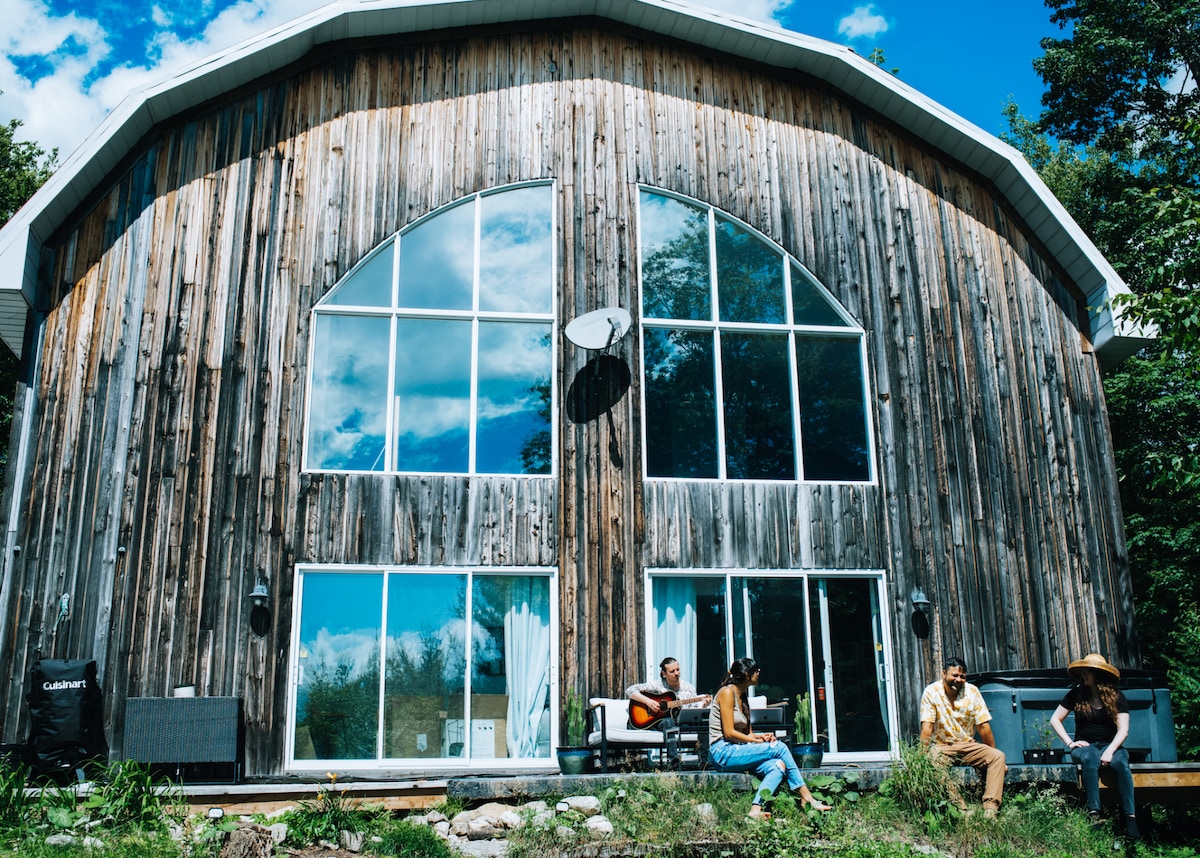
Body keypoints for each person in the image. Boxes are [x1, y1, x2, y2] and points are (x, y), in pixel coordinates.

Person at [708, 657, 832, 818]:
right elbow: (729, 733)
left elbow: (748, 734)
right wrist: (756, 741)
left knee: (777, 765)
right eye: (755, 670)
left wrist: (761, 738)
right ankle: (806, 797)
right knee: (780, 747)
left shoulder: (742, 696)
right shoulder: (727, 692)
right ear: (746, 674)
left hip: (737, 750)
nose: (759, 672)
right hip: (722, 752)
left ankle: (755, 810)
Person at [1049, 653, 1140, 840]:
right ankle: (1094, 814)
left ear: (1098, 674)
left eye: (1087, 672)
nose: (1084, 675)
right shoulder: (1076, 694)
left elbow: (1123, 730)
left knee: (1121, 764)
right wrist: (1070, 743)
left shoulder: (1116, 697)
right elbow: (1055, 719)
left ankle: (1130, 818)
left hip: (1111, 745)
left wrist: (1110, 751)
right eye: (1082, 671)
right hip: (1085, 746)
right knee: (1090, 759)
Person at [919, 656, 1007, 818]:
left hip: (968, 744)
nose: (958, 680)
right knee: (932, 761)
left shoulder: (972, 691)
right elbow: (927, 727)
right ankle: (960, 808)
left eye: (962, 677)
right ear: (944, 674)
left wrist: (991, 755)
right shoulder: (932, 692)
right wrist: (921, 757)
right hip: (942, 746)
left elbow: (983, 727)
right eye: (954, 675)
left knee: (998, 757)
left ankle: (991, 808)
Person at [626, 657, 711, 764]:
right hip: (661, 722)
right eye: (672, 671)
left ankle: (704, 761)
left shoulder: (689, 688)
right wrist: (648, 702)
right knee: (668, 721)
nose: (676, 673)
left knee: (703, 723)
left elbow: (693, 710)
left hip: (682, 723)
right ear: (664, 673)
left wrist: (703, 705)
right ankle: (674, 760)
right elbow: (630, 690)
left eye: (678, 670)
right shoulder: (657, 685)